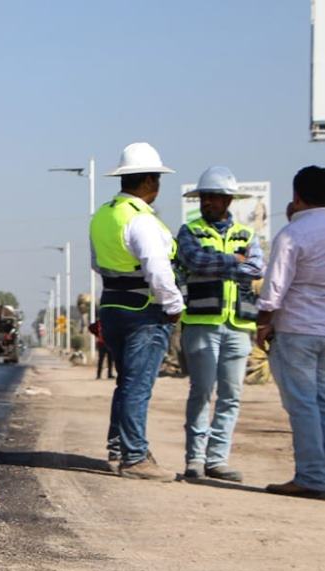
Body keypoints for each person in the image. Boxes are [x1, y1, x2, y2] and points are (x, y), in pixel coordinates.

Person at [90, 142, 185, 480]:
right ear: (147, 181)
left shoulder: (103, 216)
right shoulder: (142, 221)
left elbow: (98, 264)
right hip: (145, 312)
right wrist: (174, 306)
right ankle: (134, 457)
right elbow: (158, 270)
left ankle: (119, 447)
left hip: (113, 310)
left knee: (126, 383)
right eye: (157, 179)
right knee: (137, 385)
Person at [176, 166, 265, 482]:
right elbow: (194, 261)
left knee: (231, 395)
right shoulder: (190, 231)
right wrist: (234, 262)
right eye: (204, 197)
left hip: (238, 326)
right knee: (202, 391)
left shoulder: (247, 234)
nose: (207, 202)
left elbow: (256, 268)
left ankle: (217, 460)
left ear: (228, 200)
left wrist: (223, 265)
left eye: (213, 197)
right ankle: (195, 460)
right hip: (202, 322)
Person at [256, 165, 325, 499]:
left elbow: (273, 288)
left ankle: (312, 476)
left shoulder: (293, 234)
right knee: (322, 403)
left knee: (303, 405)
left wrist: (263, 323)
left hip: (297, 329)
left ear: (297, 196)